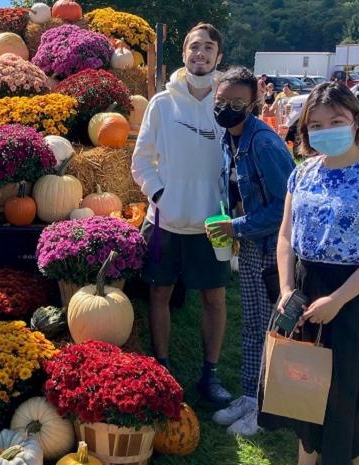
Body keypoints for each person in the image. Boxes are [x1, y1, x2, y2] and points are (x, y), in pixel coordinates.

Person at [259, 82, 359, 465]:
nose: (326, 129)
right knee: (304, 381)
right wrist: (288, 287)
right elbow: (286, 236)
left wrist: (339, 300)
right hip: (307, 290)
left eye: (337, 121)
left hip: (358, 296)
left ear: (356, 122)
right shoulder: (303, 174)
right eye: (317, 123)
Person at [131, 22, 232, 406]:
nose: (200, 54)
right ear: (184, 54)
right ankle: (162, 368)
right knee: (159, 292)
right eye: (193, 47)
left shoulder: (227, 105)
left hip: (215, 222)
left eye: (208, 47)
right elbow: (141, 161)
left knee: (215, 297)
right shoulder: (161, 103)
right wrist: (162, 195)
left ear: (218, 57)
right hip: (166, 219)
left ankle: (210, 376)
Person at [208, 67, 295, 436]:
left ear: (254, 104)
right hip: (252, 243)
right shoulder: (231, 138)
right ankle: (248, 393)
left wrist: (236, 227)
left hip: (270, 248)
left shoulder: (263, 143)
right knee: (252, 324)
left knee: (268, 329)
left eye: (237, 102)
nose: (227, 108)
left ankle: (266, 407)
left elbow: (285, 205)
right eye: (221, 101)